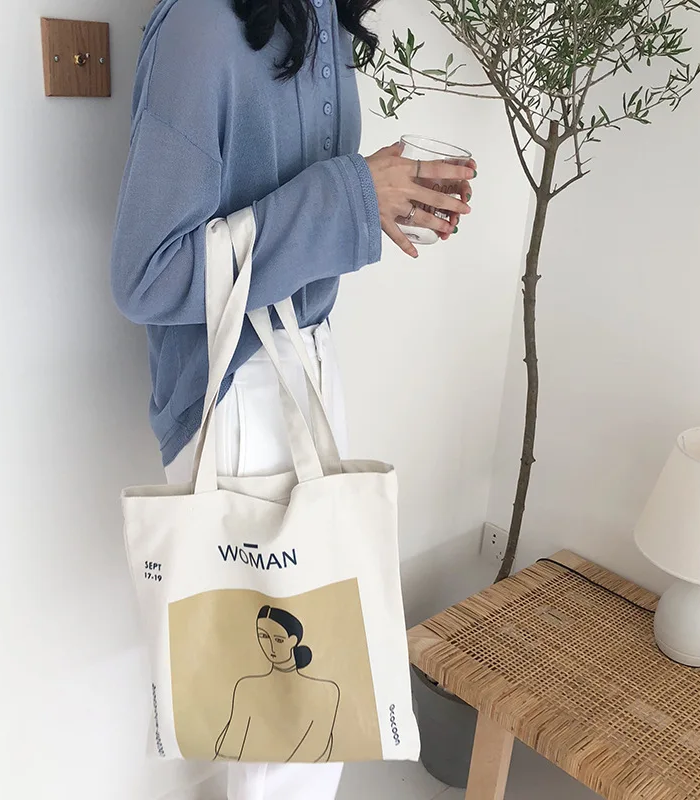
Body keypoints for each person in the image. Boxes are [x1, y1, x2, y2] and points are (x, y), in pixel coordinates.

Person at [111, 1, 474, 798]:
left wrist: (375, 200)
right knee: (282, 753)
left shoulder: (322, 18)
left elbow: (287, 207)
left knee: (307, 727)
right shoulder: (202, 24)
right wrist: (350, 197)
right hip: (237, 395)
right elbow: (147, 275)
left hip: (305, 363)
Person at [216, 607, 340, 764]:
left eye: (279, 639)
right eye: (263, 636)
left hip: (301, 777)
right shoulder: (246, 687)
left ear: (293, 640)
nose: (271, 647)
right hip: (236, 773)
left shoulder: (325, 692)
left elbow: (315, 748)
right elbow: (229, 747)